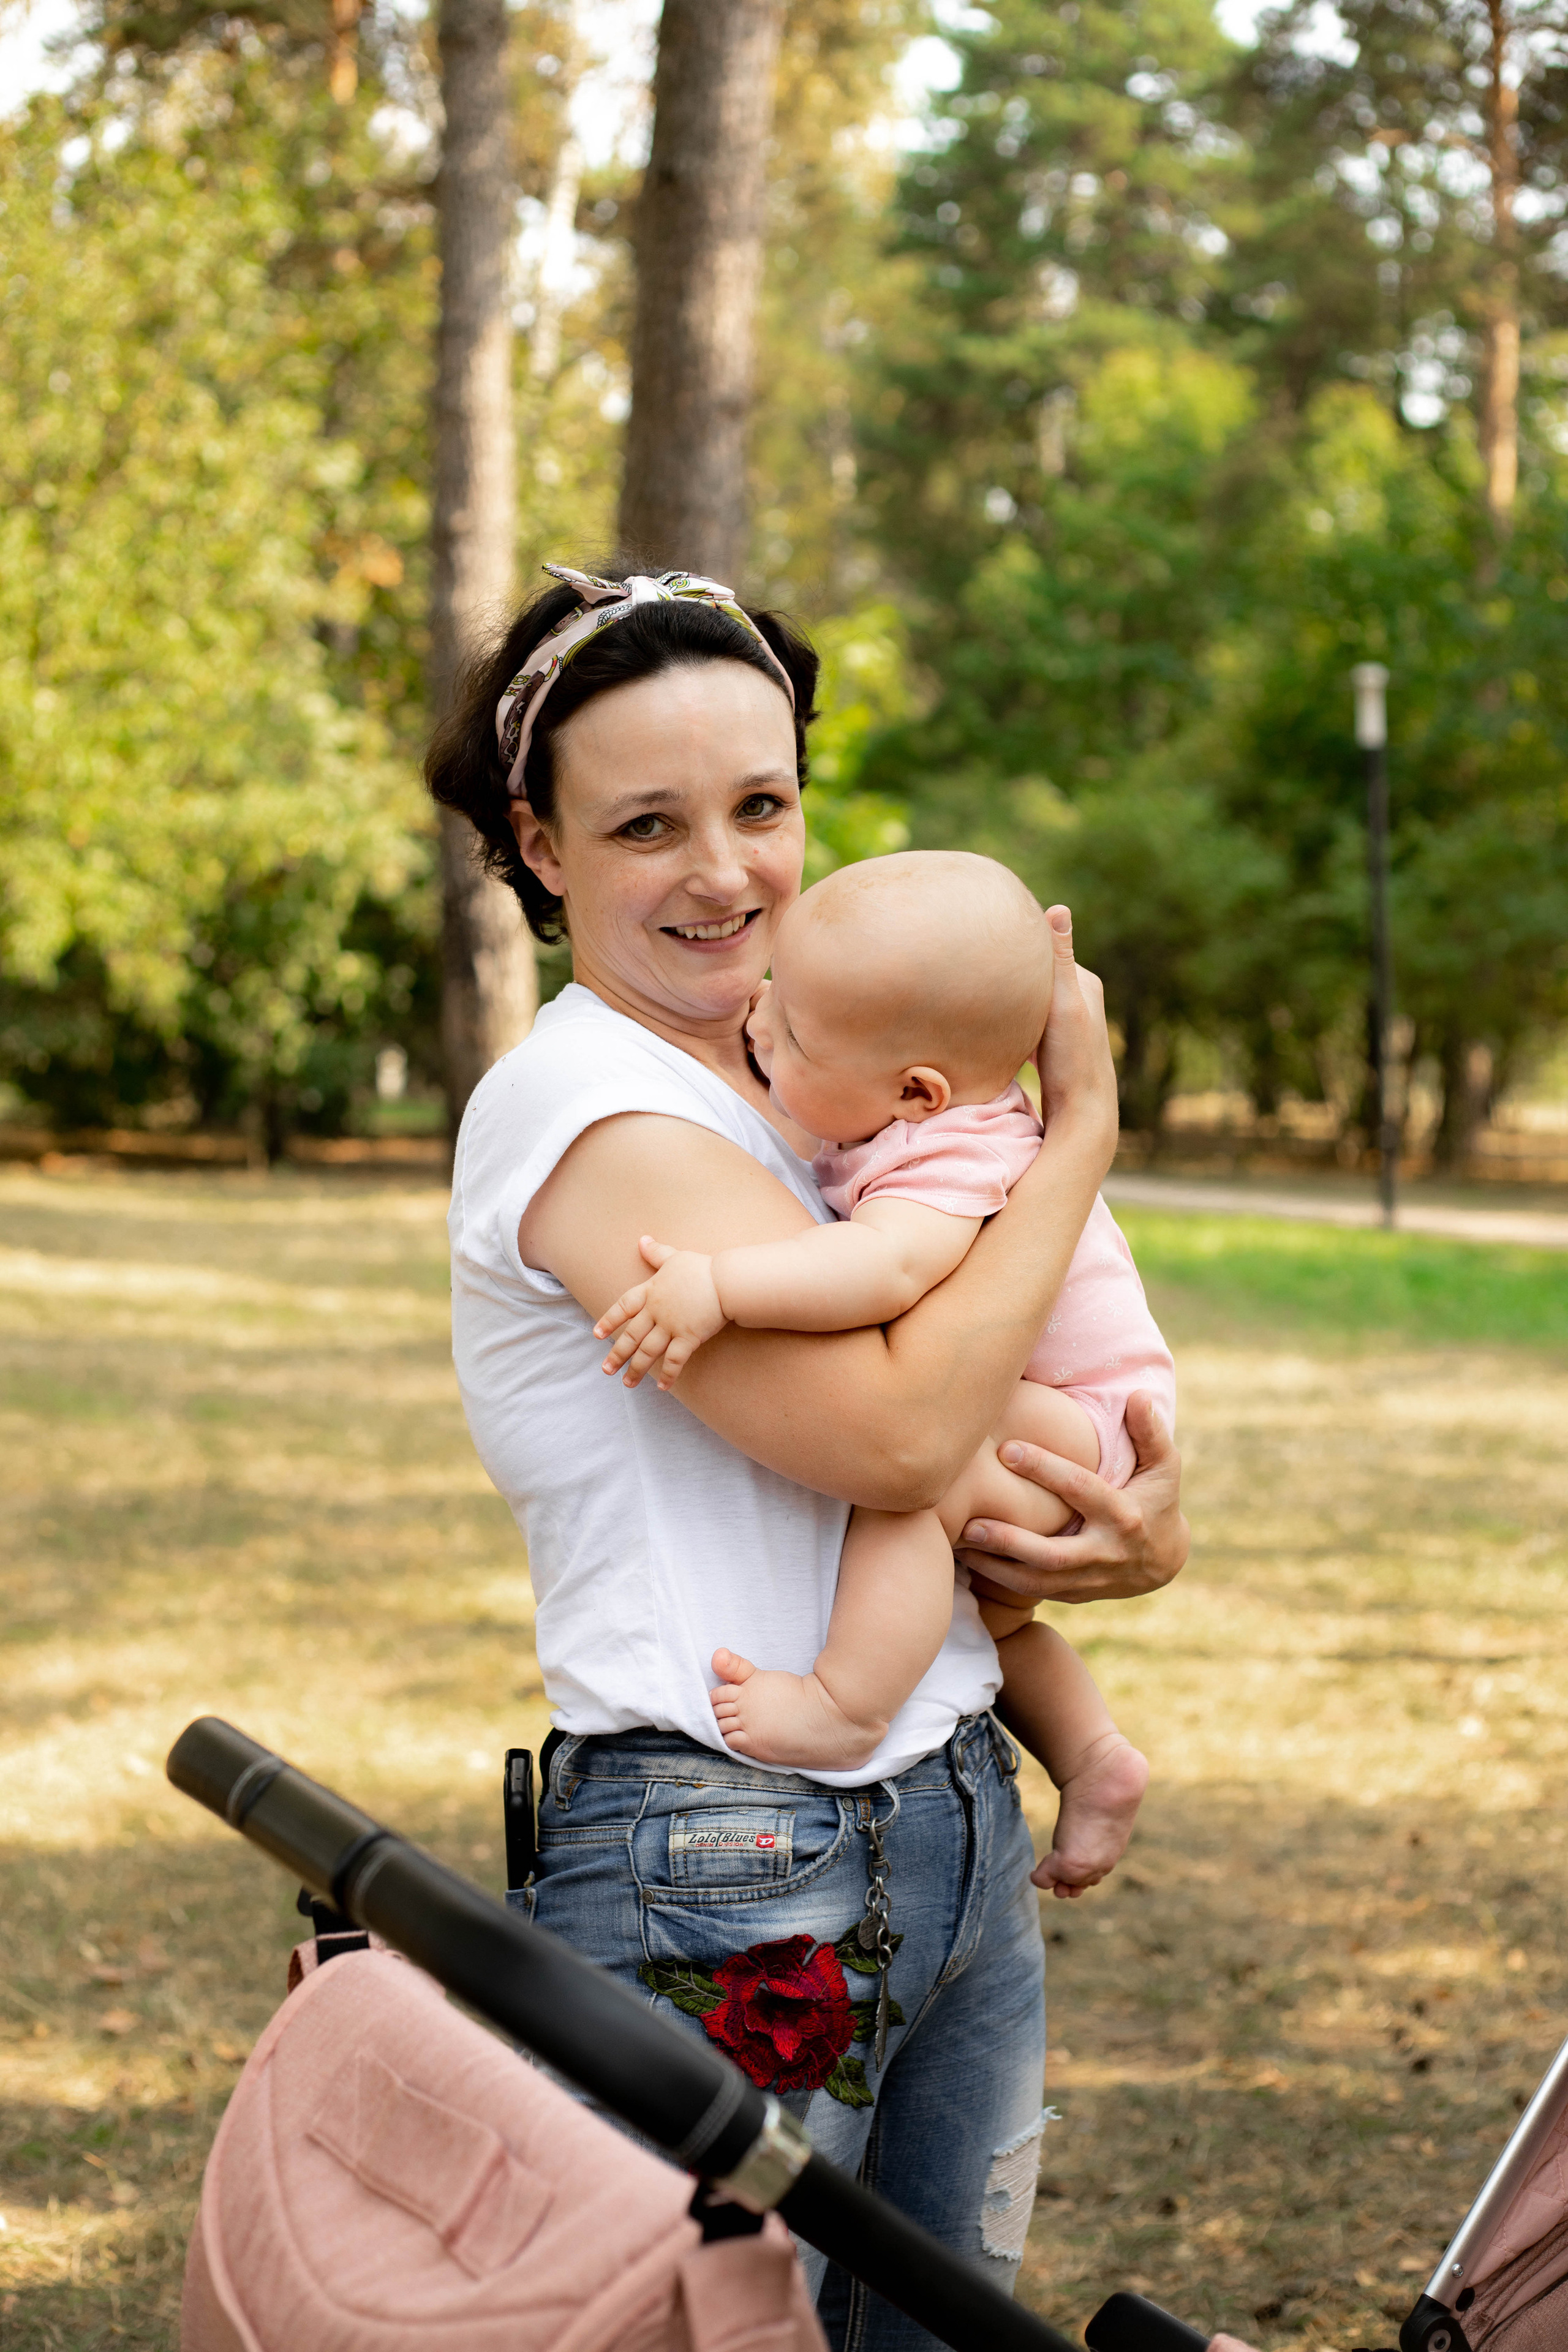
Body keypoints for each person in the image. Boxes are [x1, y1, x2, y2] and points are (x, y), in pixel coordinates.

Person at [429, 561, 1189, 2352]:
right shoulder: (593, 1111)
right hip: (724, 1841)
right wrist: (1079, 1138)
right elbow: (906, 1435)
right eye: (647, 824)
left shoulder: (820, 1096)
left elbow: (1007, 1400)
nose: (725, 872)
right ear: (542, 846)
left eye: (760, 806)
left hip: (954, 1812)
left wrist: (1137, 1528)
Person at [593, 850, 1175, 1902]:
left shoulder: (953, 1155)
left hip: (1083, 1419)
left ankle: (846, 1707)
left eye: (796, 1031)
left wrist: (720, 1286)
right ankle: (1093, 1753)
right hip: (1073, 1416)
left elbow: (883, 1267)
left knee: (922, 1490)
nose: (761, 1022)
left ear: (917, 1091)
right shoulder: (908, 1122)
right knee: (994, 1618)